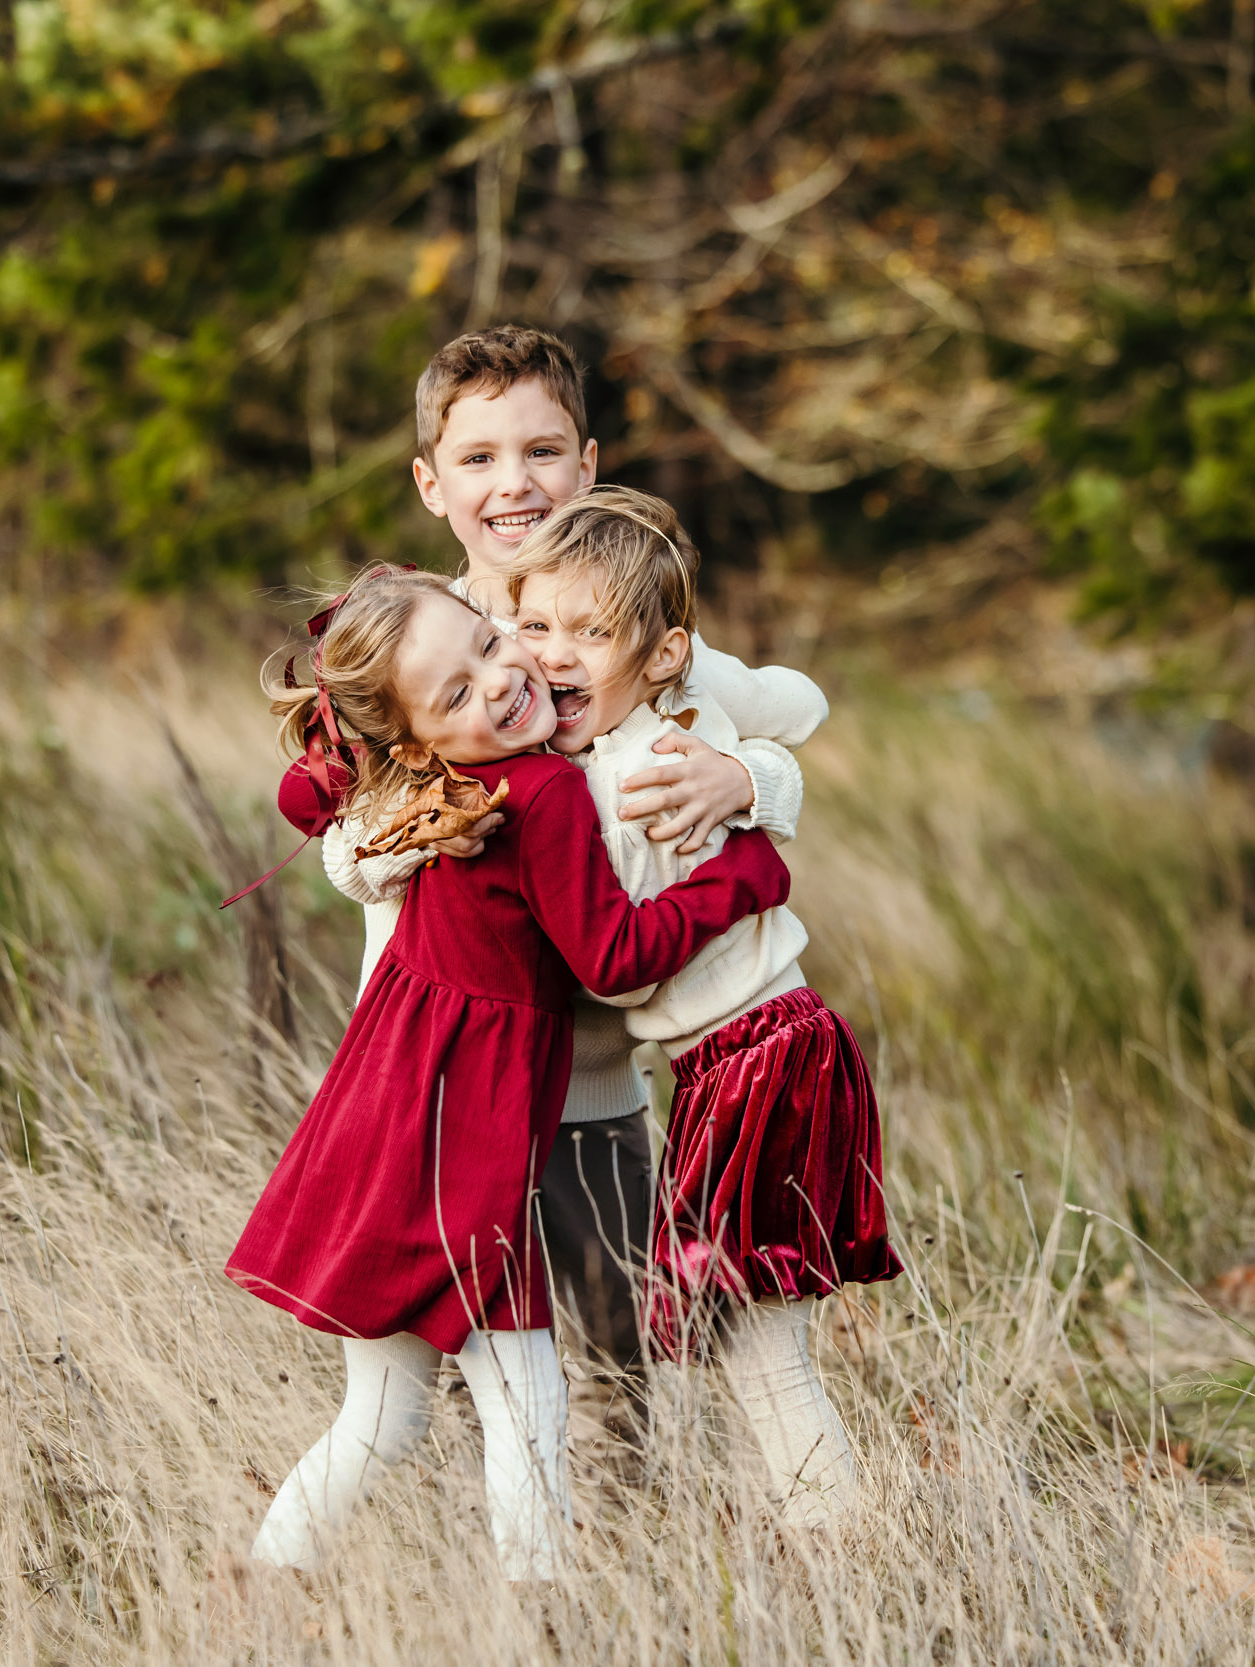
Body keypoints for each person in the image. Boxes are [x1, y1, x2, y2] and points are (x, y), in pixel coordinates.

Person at [281, 325, 826, 1377]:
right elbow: (341, 838)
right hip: (439, 1072)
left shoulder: (627, 621)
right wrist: (398, 831)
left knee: (615, 1361)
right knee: (434, 1362)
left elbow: (773, 717)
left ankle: (616, 1533)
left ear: (588, 466)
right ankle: (459, 1540)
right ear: (431, 483)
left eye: (541, 452)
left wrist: (749, 782)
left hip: (589, 1081)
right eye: (479, 458)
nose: (514, 483)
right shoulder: (413, 642)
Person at [228, 567, 791, 1579]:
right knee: (523, 1400)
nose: (496, 681)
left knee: (386, 1411)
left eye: (490, 644)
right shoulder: (538, 792)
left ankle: (259, 1591)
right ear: (416, 740)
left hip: (387, 1123)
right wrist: (738, 877)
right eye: (454, 693)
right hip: (458, 1145)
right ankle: (535, 1614)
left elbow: (310, 795)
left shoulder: (453, 784)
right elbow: (612, 958)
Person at [506, 486, 902, 1531]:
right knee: (755, 1347)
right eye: (537, 625)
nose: (556, 653)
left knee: (762, 1357)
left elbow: (626, 975)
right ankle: (839, 1544)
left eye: (592, 632)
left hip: (754, 1060)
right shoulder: (680, 724)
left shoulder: (629, 782)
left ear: (663, 652)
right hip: (775, 1045)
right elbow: (775, 710)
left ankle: (849, 1555)